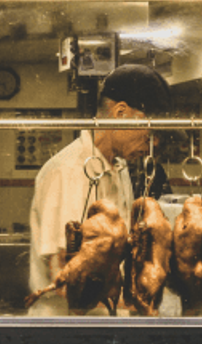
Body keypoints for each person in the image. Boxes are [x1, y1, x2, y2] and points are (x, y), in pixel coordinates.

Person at [26, 64, 171, 315]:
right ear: (121, 112)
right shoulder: (67, 172)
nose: (153, 142)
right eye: (150, 129)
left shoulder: (120, 167)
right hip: (68, 328)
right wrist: (141, 306)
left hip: (106, 321)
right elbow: (66, 281)